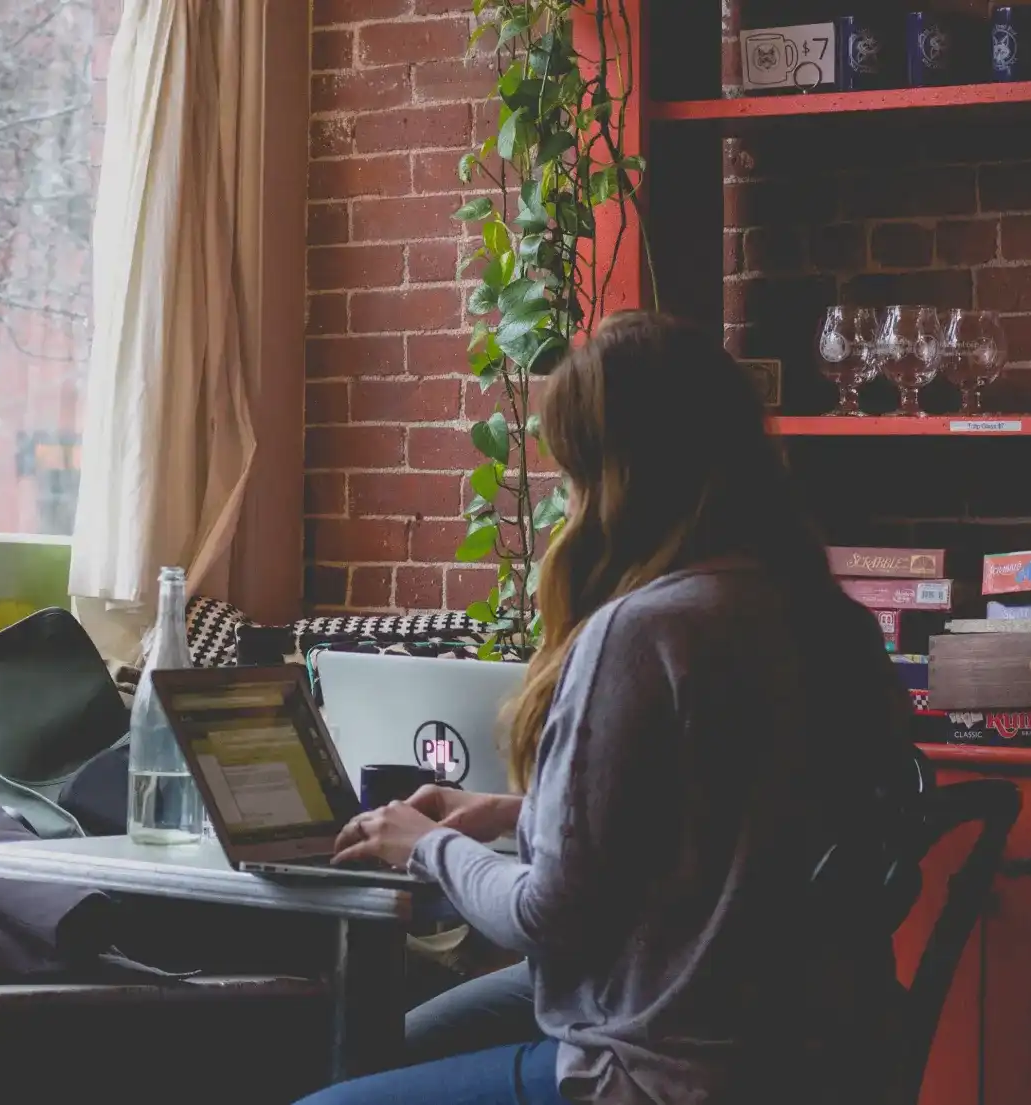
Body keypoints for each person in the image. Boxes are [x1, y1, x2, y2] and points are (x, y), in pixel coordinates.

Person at [296, 312, 917, 1105]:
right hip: (809, 1054)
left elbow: (546, 913)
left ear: (620, 476)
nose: (563, 498)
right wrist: (506, 812)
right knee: (389, 1047)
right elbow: (720, 831)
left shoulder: (644, 632)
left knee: (328, 1093)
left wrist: (422, 845)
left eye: (573, 473)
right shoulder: (827, 619)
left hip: (665, 1066)